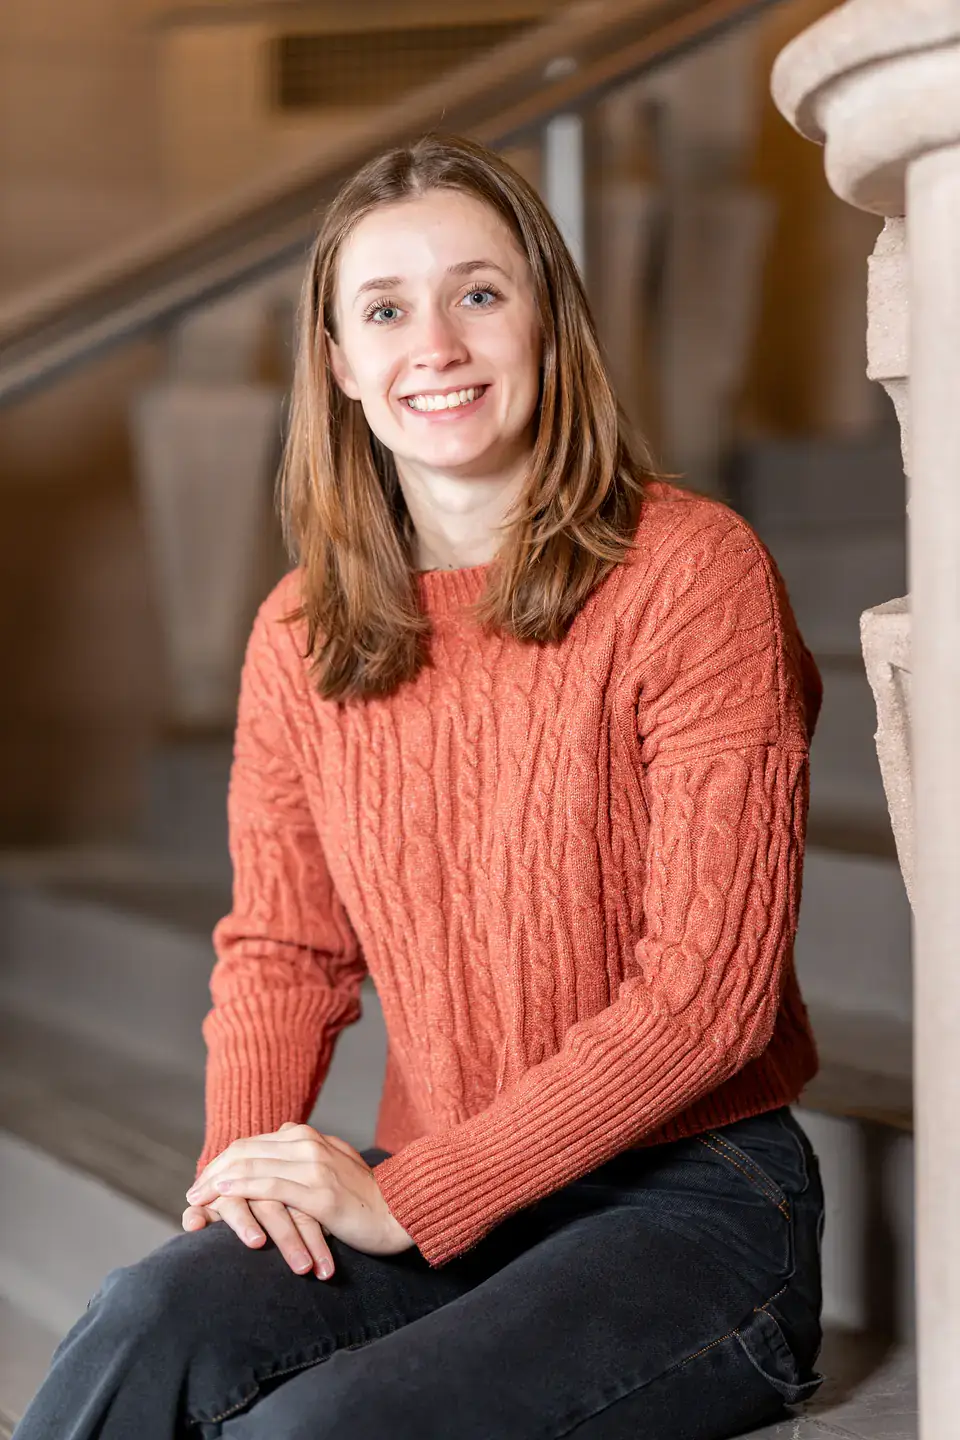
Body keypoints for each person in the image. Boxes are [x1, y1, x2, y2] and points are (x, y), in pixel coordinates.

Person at [14, 133, 826, 1440]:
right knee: (148, 1321)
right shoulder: (302, 631)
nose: (433, 344)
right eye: (385, 310)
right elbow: (285, 946)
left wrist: (417, 1196)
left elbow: (707, 1001)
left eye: (480, 293)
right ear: (338, 363)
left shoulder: (691, 572)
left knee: (313, 1430)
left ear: (549, 324)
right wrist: (248, 1177)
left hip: (694, 1205)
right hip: (441, 1192)